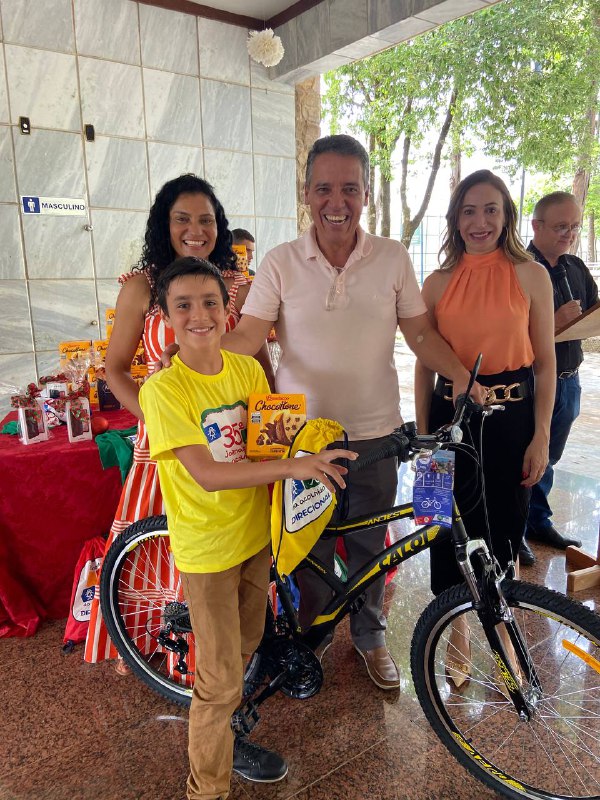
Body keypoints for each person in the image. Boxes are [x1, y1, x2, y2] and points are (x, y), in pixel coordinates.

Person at [211, 135, 487, 690]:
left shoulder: (391, 257)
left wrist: (460, 374)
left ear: (365, 195)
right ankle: (313, 635)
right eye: (324, 189)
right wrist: (192, 361)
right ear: (306, 193)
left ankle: (371, 637)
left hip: (376, 433)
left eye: (349, 189)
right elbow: (246, 335)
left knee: (368, 544)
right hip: (301, 439)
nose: (336, 202)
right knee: (308, 543)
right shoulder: (280, 262)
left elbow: (419, 333)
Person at [140, 256, 354, 799]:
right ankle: (206, 788)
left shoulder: (248, 372)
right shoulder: (163, 391)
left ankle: (226, 739)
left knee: (243, 651)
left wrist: (307, 449)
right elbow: (209, 475)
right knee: (217, 682)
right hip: (208, 552)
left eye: (210, 302)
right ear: (165, 316)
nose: (199, 315)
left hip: (257, 539)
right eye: (183, 305)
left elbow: (271, 446)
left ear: (227, 309)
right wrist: (293, 468)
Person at [84, 174, 272, 666]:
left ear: (220, 227)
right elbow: (115, 369)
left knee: (234, 548)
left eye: (206, 220)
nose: (196, 230)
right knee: (165, 547)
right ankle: (157, 653)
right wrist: (161, 417)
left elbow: (259, 362)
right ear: (163, 224)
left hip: (232, 441)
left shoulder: (237, 285)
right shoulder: (141, 287)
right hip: (165, 449)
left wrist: (274, 428)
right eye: (182, 219)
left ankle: (225, 661)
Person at [414, 169, 555, 687]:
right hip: (449, 416)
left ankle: (505, 635)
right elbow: (424, 363)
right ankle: (457, 630)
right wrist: (425, 437)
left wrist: (541, 435)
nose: (480, 221)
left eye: (491, 209)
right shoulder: (437, 282)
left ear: (506, 215)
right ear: (455, 219)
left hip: (512, 417)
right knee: (445, 523)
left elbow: (545, 364)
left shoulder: (530, 275)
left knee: (504, 525)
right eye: (469, 211)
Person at [520, 191, 598, 565]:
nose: (569, 234)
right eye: (561, 226)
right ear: (536, 226)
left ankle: (538, 522)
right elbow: (508, 336)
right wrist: (555, 323)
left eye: (575, 226)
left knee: (549, 457)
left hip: (569, 378)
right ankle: (515, 529)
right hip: (531, 381)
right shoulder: (518, 269)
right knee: (524, 457)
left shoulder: (575, 267)